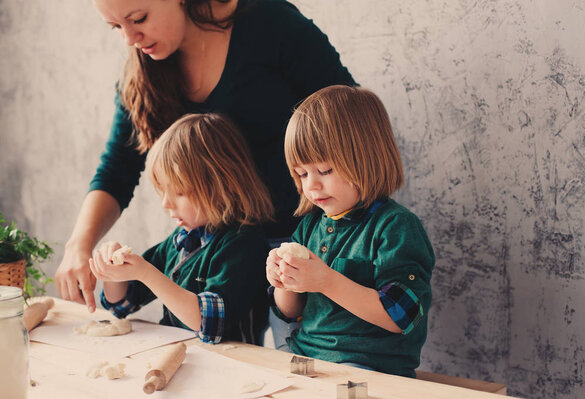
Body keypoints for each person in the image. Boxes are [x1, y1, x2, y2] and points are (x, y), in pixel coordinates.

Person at [56, 0, 355, 311]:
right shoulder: (141, 73)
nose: (130, 39)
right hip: (216, 255)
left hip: (304, 249)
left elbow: (351, 117)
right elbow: (118, 167)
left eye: (139, 19)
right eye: (117, 27)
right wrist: (79, 245)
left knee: (297, 355)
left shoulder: (270, 24)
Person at [266, 85, 435, 377]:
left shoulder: (395, 227)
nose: (311, 186)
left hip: (368, 367)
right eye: (302, 174)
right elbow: (290, 312)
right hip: (305, 357)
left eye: (325, 171)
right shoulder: (310, 225)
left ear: (367, 158)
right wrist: (284, 280)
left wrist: (326, 280)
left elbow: (402, 316)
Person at [89, 113, 273, 344]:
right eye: (162, 191)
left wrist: (146, 272)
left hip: (233, 365)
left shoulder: (244, 244)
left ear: (221, 185)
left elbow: (210, 324)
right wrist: (114, 272)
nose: (166, 203)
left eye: (180, 192)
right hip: (183, 357)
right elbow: (123, 304)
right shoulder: (182, 239)